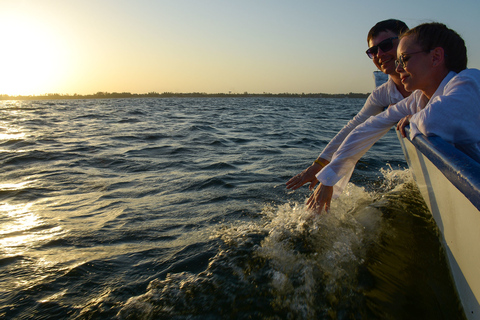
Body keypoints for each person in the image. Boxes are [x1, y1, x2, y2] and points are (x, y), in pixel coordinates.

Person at [307, 22, 480, 213]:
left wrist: (413, 118)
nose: (398, 69)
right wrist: (327, 177)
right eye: (398, 61)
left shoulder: (469, 81)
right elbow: (367, 127)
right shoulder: (418, 98)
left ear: (436, 57)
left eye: (404, 59)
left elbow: (434, 121)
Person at [286, 19, 410, 194]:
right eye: (373, 51)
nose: (380, 54)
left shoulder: (439, 83)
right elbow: (355, 128)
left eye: (386, 45)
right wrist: (318, 166)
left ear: (407, 41)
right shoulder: (382, 94)